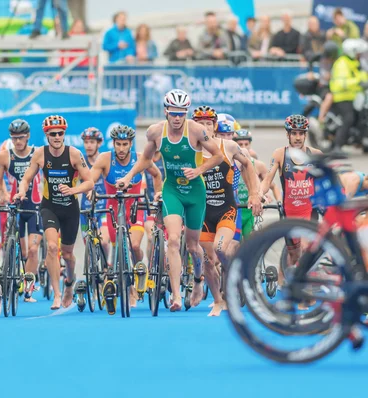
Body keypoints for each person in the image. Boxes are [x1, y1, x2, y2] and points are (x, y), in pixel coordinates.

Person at [116, 89, 246, 312]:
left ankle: (197, 281)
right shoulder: (156, 132)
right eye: (174, 113)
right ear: (166, 111)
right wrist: (129, 176)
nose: (177, 118)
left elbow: (217, 156)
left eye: (182, 113)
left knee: (195, 247)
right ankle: (176, 296)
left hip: (196, 192)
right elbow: (146, 159)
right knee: (174, 240)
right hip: (172, 190)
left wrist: (199, 170)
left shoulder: (196, 131)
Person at [13, 115, 94, 310]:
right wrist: (22, 190)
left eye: (60, 133)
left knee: (67, 254)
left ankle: (69, 283)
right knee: (51, 247)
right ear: (46, 135)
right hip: (49, 207)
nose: (57, 137)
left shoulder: (74, 154)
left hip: (70, 209)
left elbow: (89, 181)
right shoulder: (40, 154)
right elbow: (26, 178)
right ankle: (56, 294)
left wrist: (73, 190)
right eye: (53, 134)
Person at [191, 107, 262, 316]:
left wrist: (254, 193)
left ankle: (234, 276)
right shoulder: (190, 150)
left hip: (226, 210)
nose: (204, 128)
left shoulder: (229, 146)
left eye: (208, 124)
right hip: (203, 213)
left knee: (221, 248)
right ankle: (218, 300)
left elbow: (248, 165)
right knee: (207, 261)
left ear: (214, 126)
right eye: (200, 124)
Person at [89, 125, 163, 313]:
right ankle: (123, 283)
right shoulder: (105, 158)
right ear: (113, 144)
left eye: (125, 145)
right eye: (118, 144)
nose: (121, 149)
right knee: (116, 247)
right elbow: (91, 179)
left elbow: (157, 174)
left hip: (135, 210)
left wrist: (158, 192)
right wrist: (90, 190)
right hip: (112, 211)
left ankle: (139, 270)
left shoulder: (140, 158)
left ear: (131, 144)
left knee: (135, 246)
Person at [260, 115, 322, 265]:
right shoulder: (280, 154)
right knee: (294, 255)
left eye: (301, 133)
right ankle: (286, 281)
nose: (298, 137)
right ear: (287, 134)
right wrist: (260, 194)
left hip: (310, 211)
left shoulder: (315, 154)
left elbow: (325, 181)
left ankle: (304, 284)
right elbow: (267, 180)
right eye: (294, 133)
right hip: (290, 213)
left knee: (307, 250)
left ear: (306, 135)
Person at [0, 119, 43, 303]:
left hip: (34, 206)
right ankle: (14, 273)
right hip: (15, 207)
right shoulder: (4, 156)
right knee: (20, 250)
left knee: (32, 249)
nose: (18, 142)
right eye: (14, 138)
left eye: (21, 138)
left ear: (28, 136)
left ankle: (28, 289)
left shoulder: (38, 153)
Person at [329, 38, 368, 151]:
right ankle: (337, 146)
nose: (360, 55)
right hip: (342, 97)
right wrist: (358, 82)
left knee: (363, 117)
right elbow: (342, 83)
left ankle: (363, 142)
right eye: (358, 53)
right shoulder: (342, 63)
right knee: (349, 118)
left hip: (355, 97)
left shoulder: (355, 63)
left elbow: (363, 77)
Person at [78, 127, 110, 257]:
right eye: (86, 142)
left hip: (103, 208)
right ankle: (93, 273)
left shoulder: (105, 160)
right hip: (86, 209)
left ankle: (105, 267)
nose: (88, 145)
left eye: (92, 142)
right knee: (89, 247)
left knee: (104, 242)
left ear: (99, 143)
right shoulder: (80, 161)